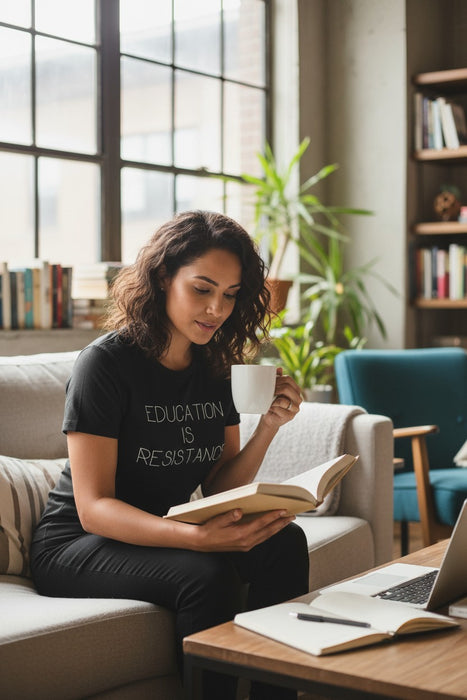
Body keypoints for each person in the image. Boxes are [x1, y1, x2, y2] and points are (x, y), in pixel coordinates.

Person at [30, 210, 309, 699]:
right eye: (202, 289)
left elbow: (221, 486)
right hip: (76, 545)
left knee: (284, 543)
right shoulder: (106, 364)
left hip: (164, 529)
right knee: (208, 573)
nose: (216, 309)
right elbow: (94, 509)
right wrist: (195, 539)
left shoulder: (216, 366)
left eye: (229, 294)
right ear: (163, 277)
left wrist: (268, 426)